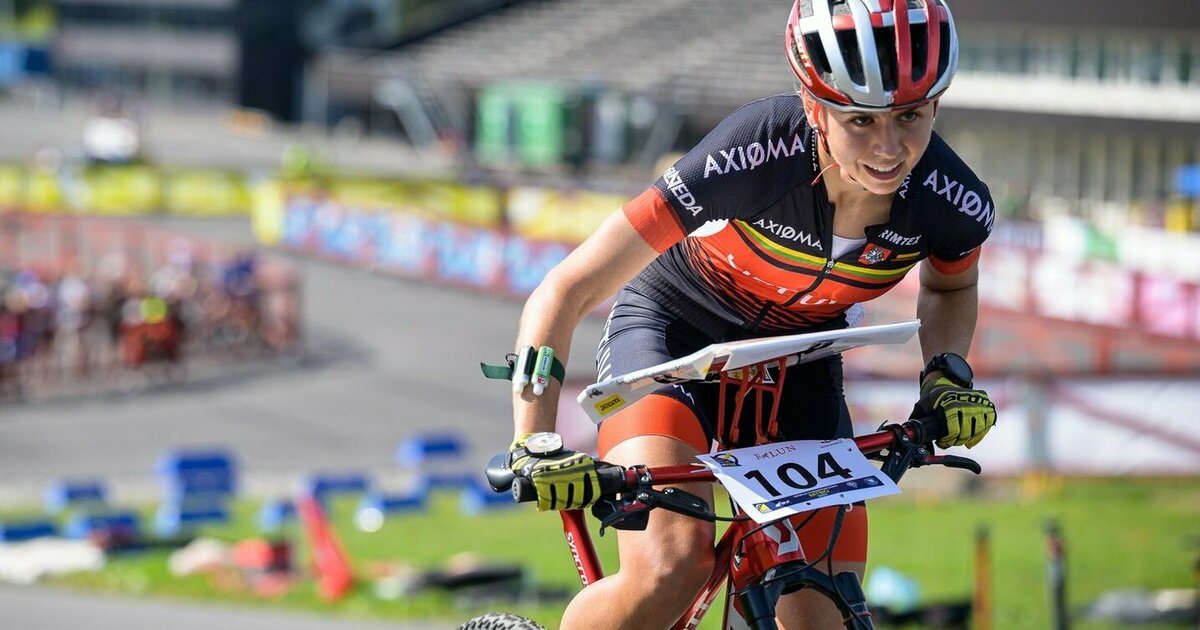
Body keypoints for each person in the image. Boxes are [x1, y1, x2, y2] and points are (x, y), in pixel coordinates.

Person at [501, 1, 997, 628]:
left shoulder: (953, 201)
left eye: (910, 115)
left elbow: (952, 289)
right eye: (861, 119)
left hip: (799, 362)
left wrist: (947, 377)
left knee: (825, 608)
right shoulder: (752, 152)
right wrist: (534, 439)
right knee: (672, 568)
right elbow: (567, 286)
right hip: (674, 336)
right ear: (815, 107)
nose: (889, 146)